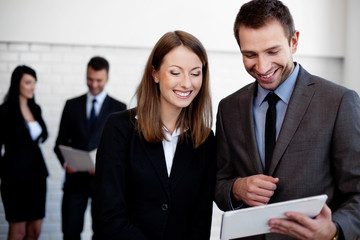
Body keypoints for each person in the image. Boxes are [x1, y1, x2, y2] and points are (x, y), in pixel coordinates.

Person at [214, 0, 360, 239]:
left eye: (272, 51)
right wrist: (236, 189)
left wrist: (334, 229)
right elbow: (219, 182)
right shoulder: (229, 108)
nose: (262, 67)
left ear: (294, 42)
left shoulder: (339, 102)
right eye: (250, 54)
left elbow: (357, 191)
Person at [93, 30, 215, 240]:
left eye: (195, 73)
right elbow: (108, 216)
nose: (187, 83)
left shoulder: (205, 140)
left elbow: (200, 221)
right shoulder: (119, 128)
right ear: (155, 74)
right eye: (175, 72)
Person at [54, 56, 127, 240]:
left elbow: (122, 151)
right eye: (90, 79)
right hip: (74, 181)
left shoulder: (119, 108)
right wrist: (65, 162)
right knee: (70, 232)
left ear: (107, 78)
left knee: (103, 233)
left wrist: (105, 167)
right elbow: (59, 143)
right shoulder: (72, 105)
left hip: (103, 184)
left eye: (99, 80)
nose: (93, 84)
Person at [0, 65, 49, 240]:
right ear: (17, 84)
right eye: (28, 82)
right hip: (15, 179)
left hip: (37, 176)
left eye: (34, 83)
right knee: (18, 230)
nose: (32, 87)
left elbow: (42, 136)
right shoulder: (4, 111)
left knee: (34, 230)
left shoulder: (36, 109)